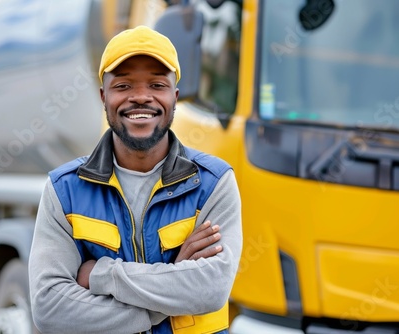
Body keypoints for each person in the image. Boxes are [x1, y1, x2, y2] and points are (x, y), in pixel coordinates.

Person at [29, 25, 242, 334]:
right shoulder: (65, 191)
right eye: (124, 85)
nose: (141, 97)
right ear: (104, 96)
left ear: (175, 96)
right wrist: (171, 286)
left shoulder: (212, 184)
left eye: (156, 84)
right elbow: (50, 307)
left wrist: (102, 275)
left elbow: (211, 289)